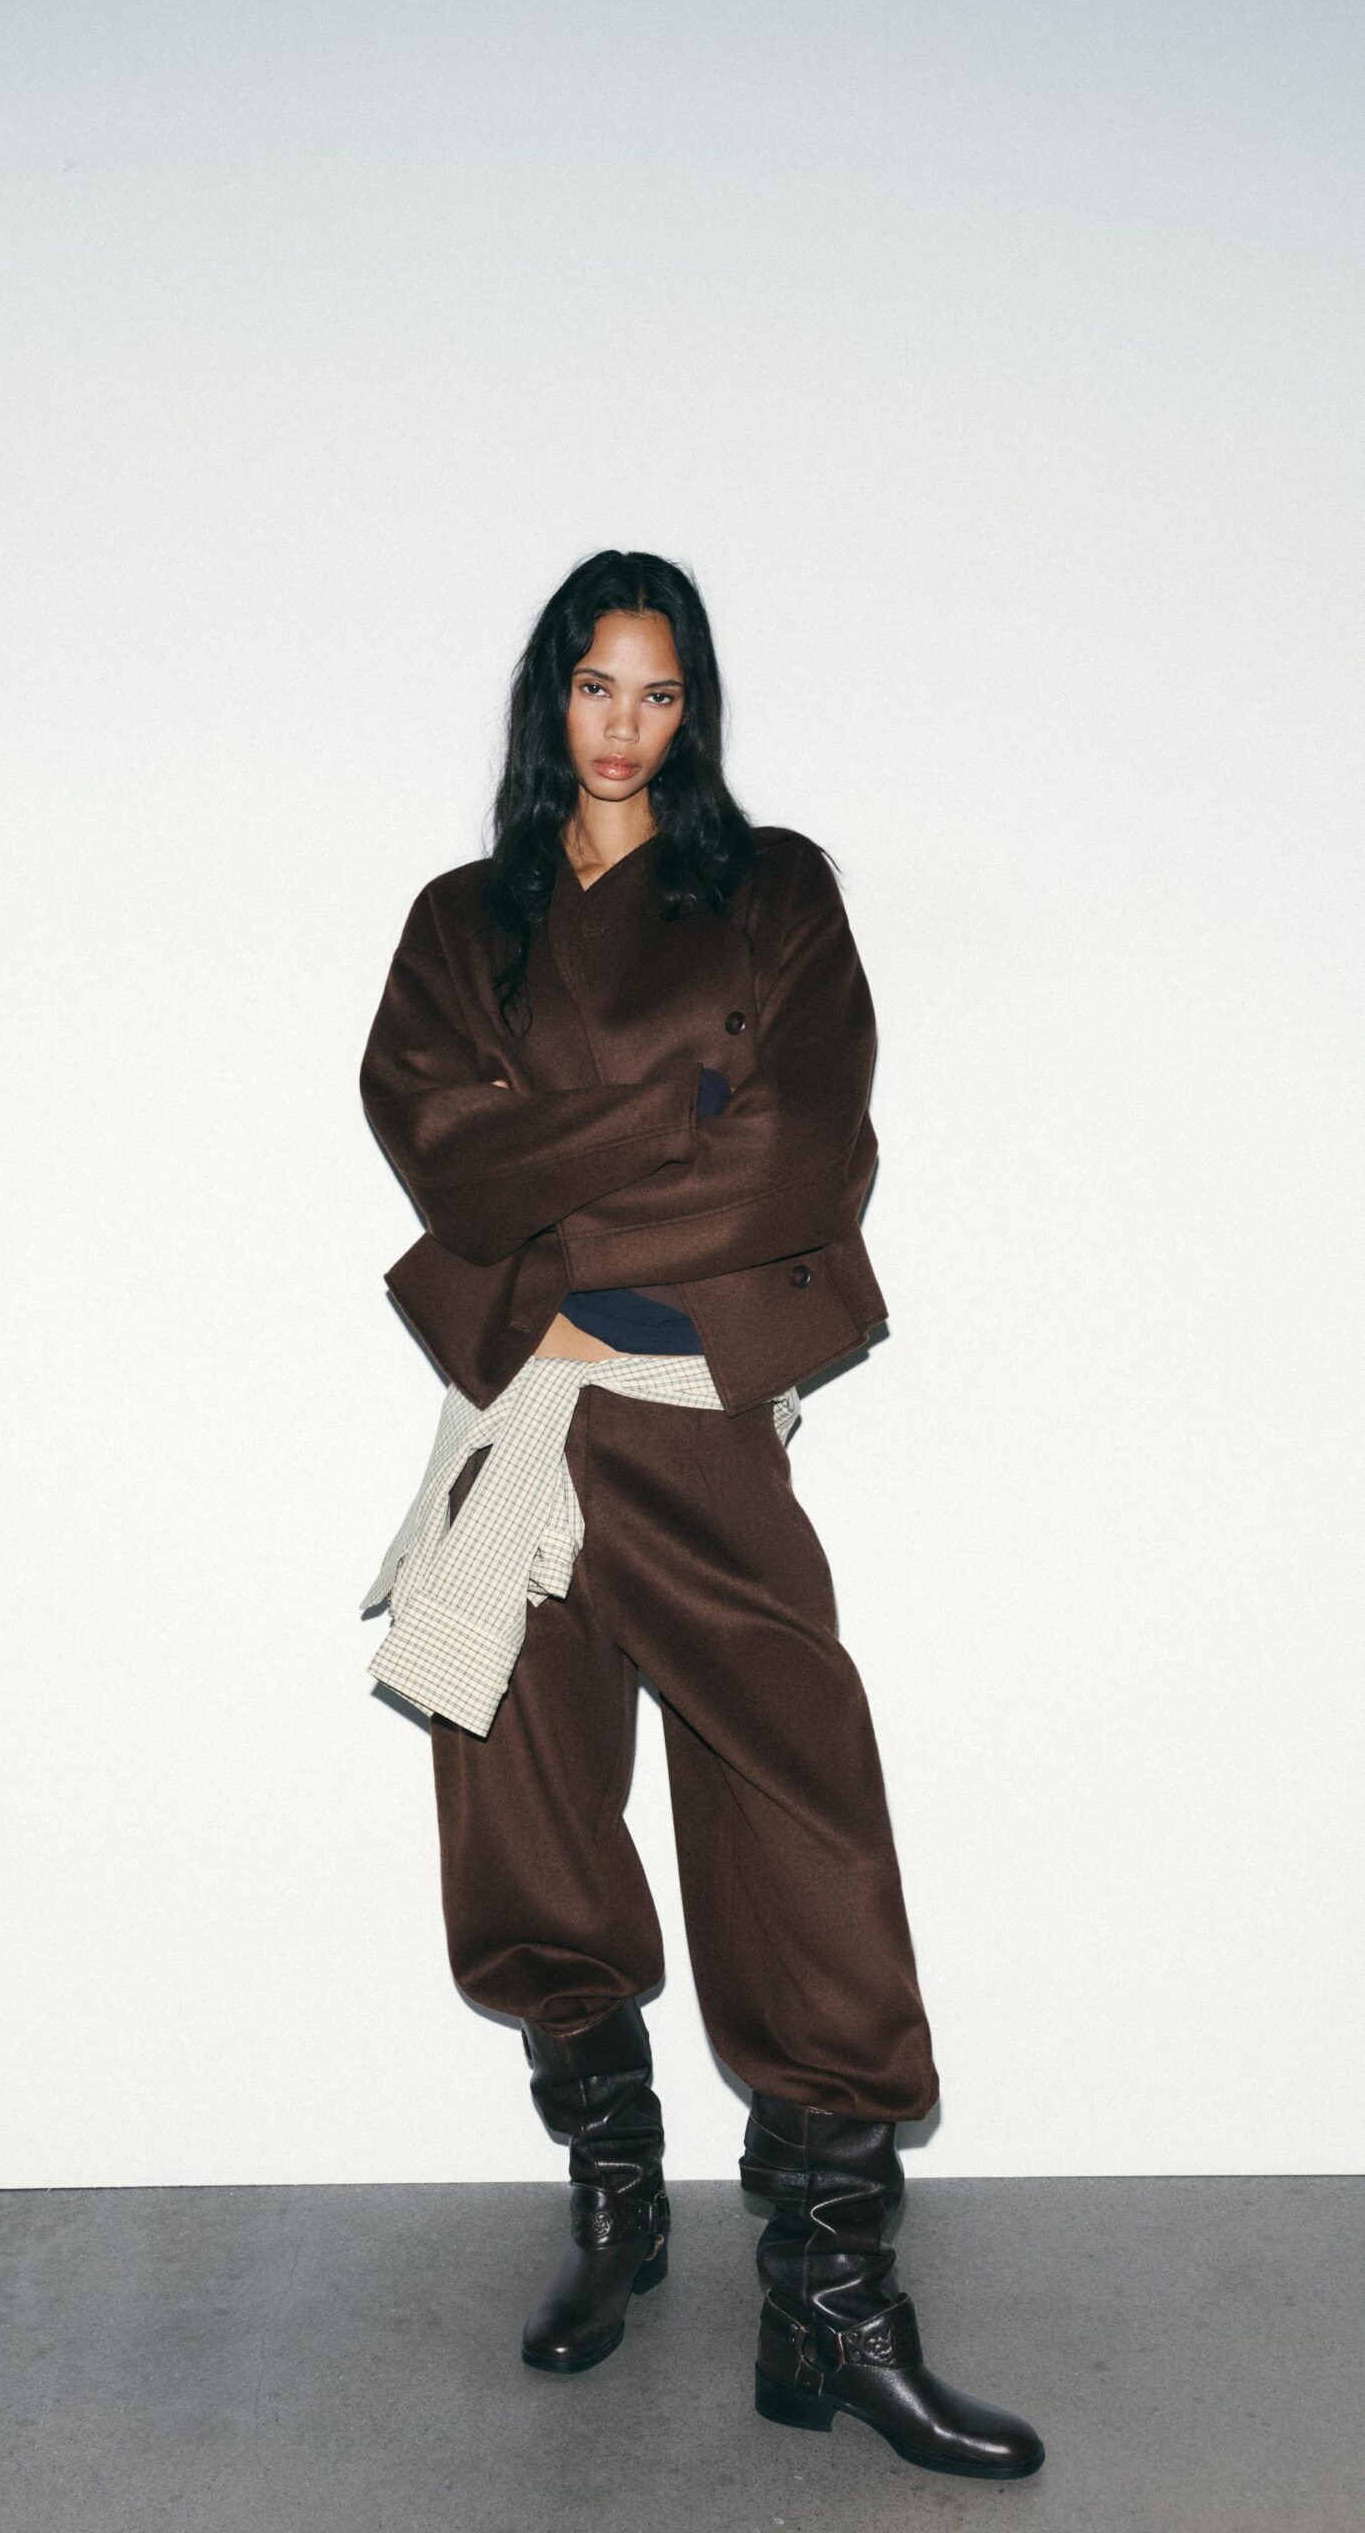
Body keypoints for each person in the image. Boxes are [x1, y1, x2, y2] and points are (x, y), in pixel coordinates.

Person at [357, 550, 1044, 2481]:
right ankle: (618, 2203)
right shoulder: (460, 924)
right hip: (517, 1418)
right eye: (596, 686)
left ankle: (830, 2300)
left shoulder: (774, 893)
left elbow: (804, 1155)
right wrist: (679, 1109)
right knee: (523, 1814)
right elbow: (440, 1154)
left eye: (658, 693)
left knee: (801, 1803)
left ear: (695, 708)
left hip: (687, 1418)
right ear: (549, 697)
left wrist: (565, 1204)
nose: (625, 725)